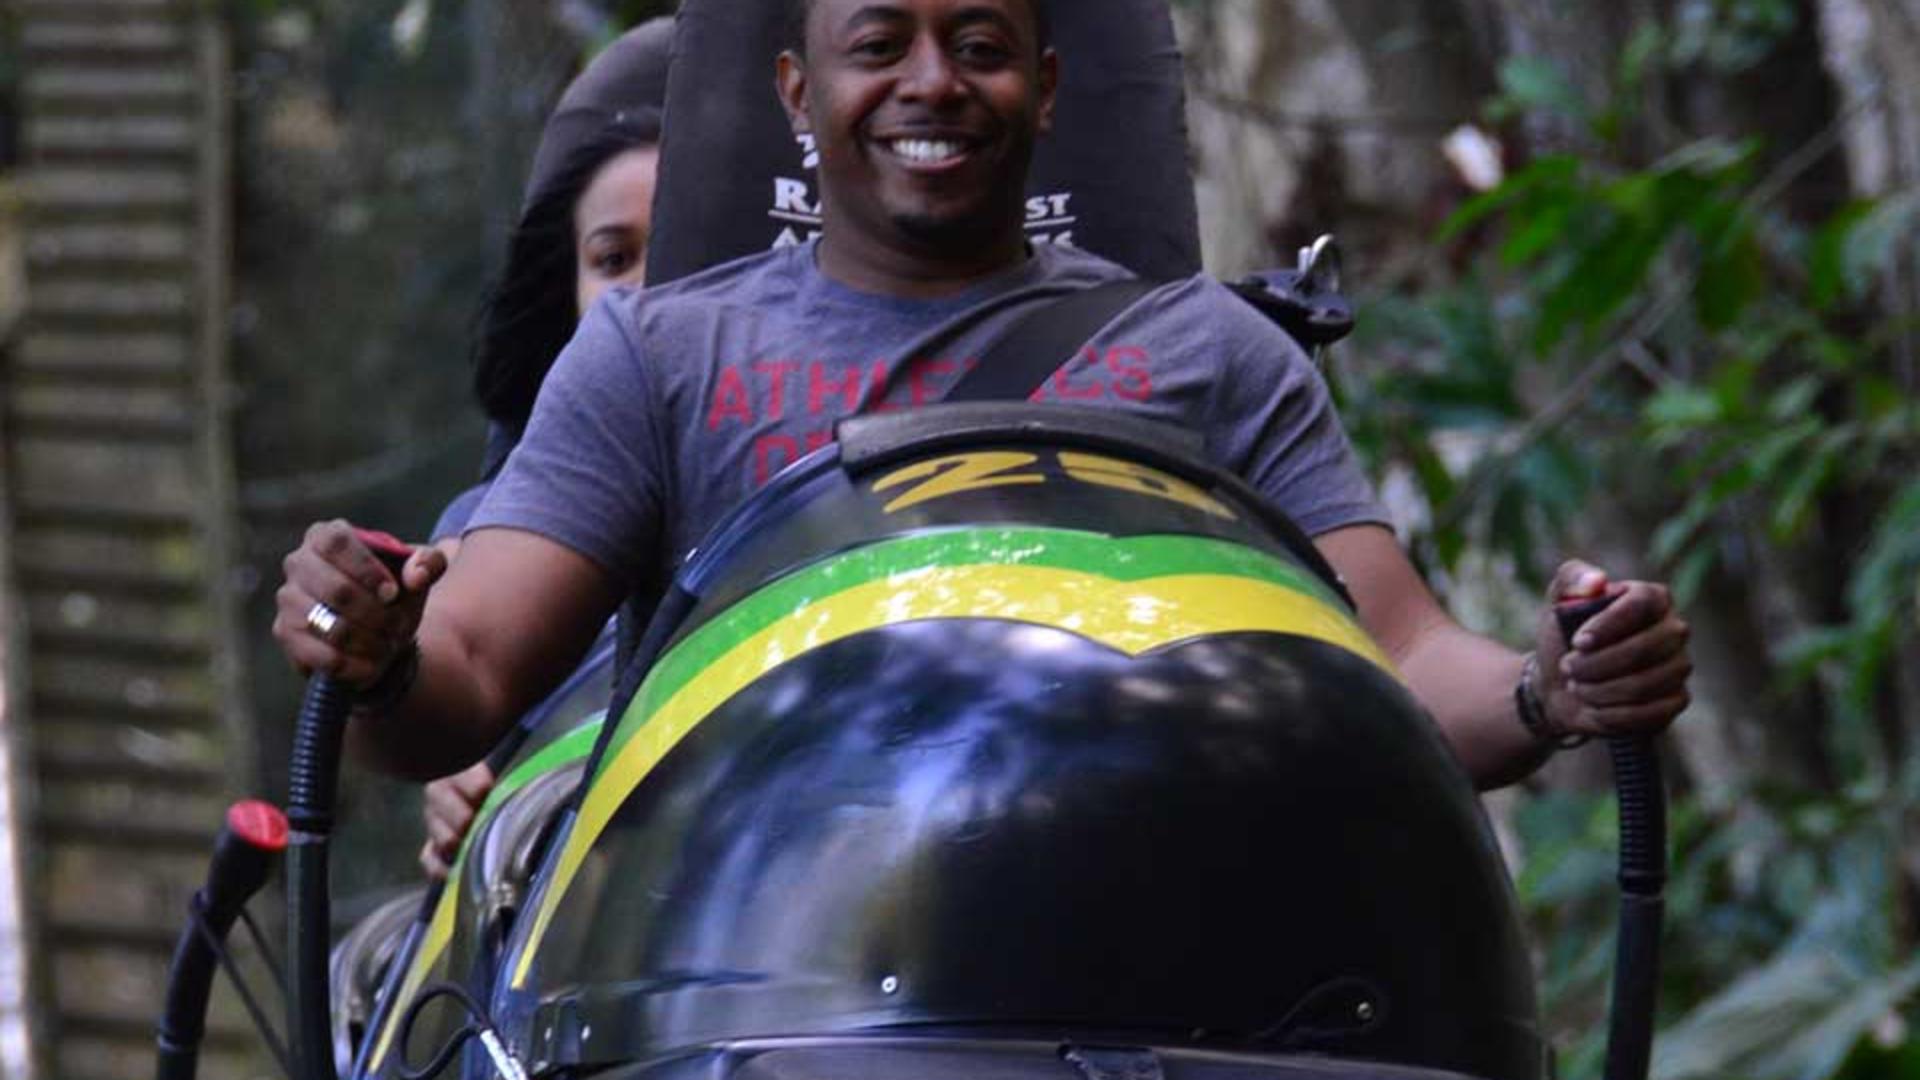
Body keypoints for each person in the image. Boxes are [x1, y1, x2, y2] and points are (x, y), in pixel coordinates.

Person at [275, 0, 1691, 795]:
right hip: (763, 955)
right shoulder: (660, 357)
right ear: (796, 89)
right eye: (880, 43)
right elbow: (463, 685)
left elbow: (1395, 667)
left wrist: (1548, 686)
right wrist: (377, 648)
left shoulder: (1208, 350)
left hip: (1163, 938)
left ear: (1050, 86)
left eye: (980, 44)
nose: (932, 84)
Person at [416, 18, 671, 880]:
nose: (639, 292)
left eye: (672, 252)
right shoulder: (490, 524)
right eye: (613, 259)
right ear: (563, 289)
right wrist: (446, 750)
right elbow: (449, 652)